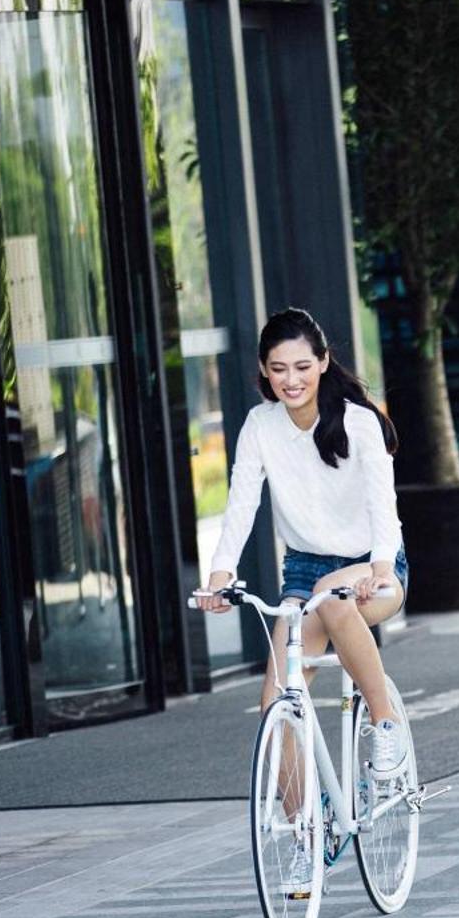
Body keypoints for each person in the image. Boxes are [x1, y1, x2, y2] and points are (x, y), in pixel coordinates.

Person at [194, 309, 411, 776]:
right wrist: (219, 576)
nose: (290, 380)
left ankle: (386, 723)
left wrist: (379, 569)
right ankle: (303, 838)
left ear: (324, 362)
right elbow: (241, 505)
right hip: (304, 572)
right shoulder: (260, 425)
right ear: (264, 371)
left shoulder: (357, 423)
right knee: (277, 703)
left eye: (301, 367)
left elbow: (383, 507)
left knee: (331, 599)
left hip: (371, 565)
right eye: (278, 369)